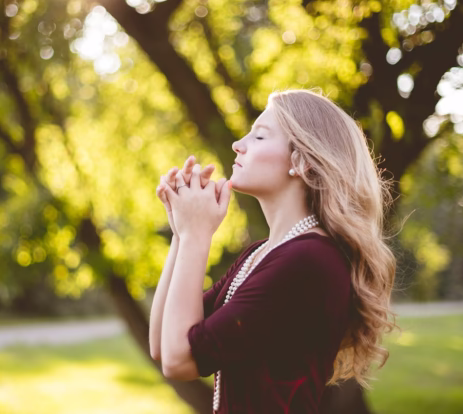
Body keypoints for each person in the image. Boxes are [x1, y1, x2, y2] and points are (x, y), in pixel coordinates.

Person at [149, 88, 399, 413]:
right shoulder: (265, 253)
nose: (238, 144)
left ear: (302, 161)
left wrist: (196, 234)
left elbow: (180, 360)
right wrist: (182, 233)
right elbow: (162, 345)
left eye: (259, 137)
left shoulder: (307, 262)